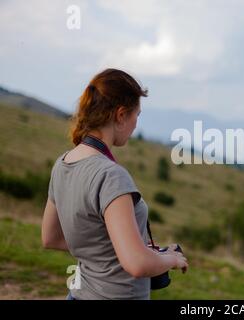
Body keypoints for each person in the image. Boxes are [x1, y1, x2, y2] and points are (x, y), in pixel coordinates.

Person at [41, 68, 188, 300]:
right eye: (136, 115)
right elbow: (137, 264)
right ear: (120, 115)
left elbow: (51, 237)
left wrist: (128, 248)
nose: (136, 125)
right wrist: (171, 259)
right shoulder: (111, 175)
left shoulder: (62, 164)